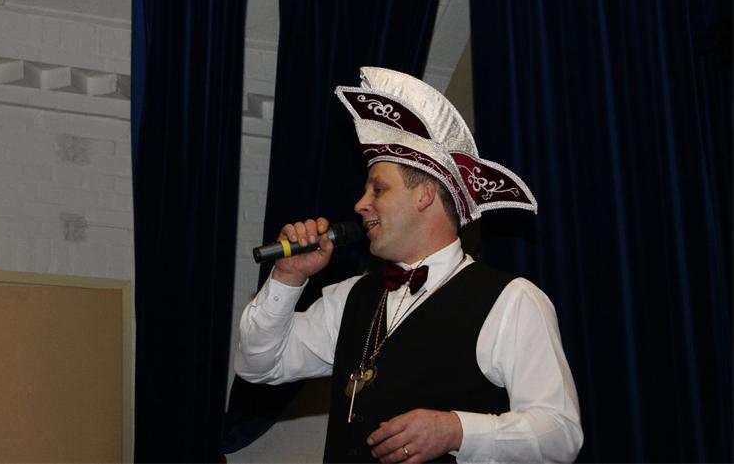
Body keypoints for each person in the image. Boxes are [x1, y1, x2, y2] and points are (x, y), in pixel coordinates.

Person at [235, 67, 583, 463]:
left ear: (424, 196)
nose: (360, 204)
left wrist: (457, 430)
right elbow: (258, 366)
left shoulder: (512, 300)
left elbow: (561, 434)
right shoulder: (350, 296)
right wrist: (287, 277)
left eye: (378, 189)